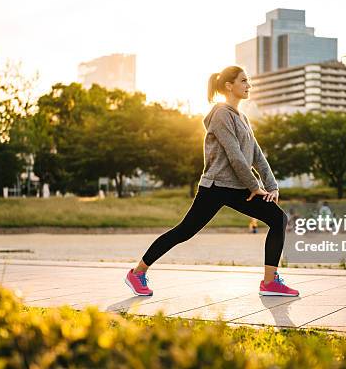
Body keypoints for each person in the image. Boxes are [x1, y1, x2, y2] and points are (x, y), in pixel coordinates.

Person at [124, 65, 299, 297]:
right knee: (184, 231)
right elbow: (234, 154)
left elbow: (256, 154)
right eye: (244, 81)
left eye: (248, 81)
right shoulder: (221, 114)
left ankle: (269, 282)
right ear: (229, 86)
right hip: (216, 187)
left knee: (278, 218)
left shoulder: (242, 117)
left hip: (238, 187)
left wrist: (272, 186)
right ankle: (137, 272)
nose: (249, 86)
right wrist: (255, 187)